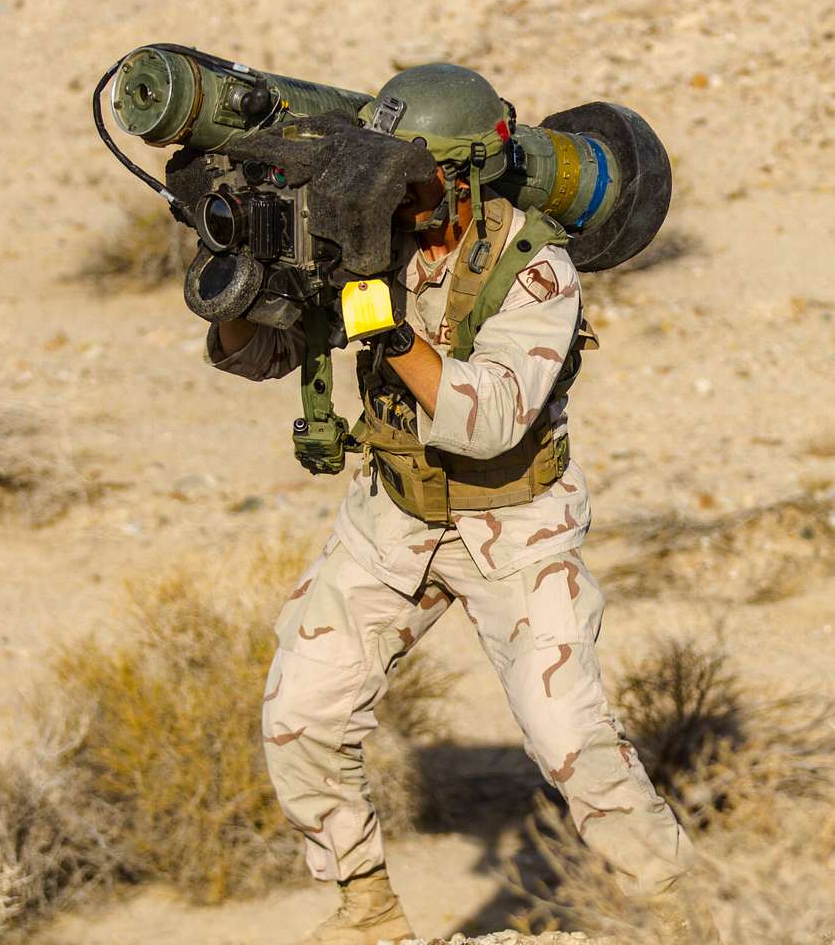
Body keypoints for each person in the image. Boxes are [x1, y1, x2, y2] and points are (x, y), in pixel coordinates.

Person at [205, 64, 696, 945]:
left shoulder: (534, 272)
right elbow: (262, 359)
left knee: (568, 740)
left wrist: (384, 328)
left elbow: (487, 419)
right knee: (300, 717)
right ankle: (366, 910)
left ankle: (677, 908)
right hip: (394, 517)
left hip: (514, 529)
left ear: (466, 174)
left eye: (413, 176)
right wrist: (239, 284)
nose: (393, 191)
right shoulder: (369, 233)